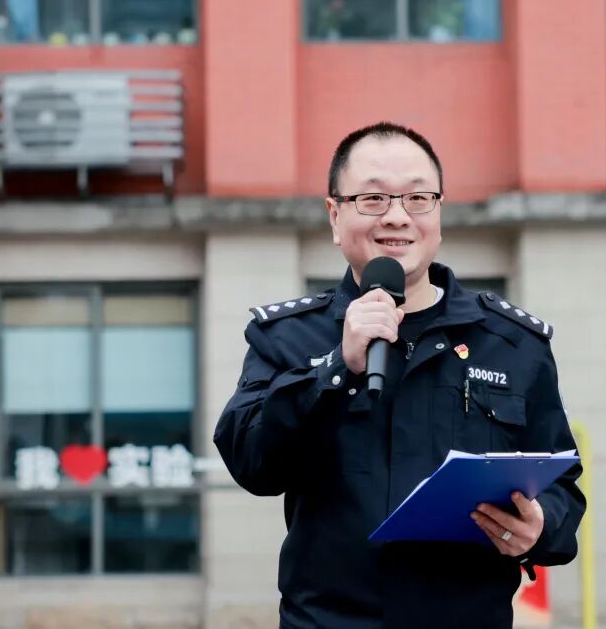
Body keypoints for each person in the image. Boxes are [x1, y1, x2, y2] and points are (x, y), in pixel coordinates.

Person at [214, 122, 585, 629]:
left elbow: (562, 484)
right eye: (373, 199)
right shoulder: (286, 338)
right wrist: (336, 368)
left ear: (438, 212)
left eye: (418, 198)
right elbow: (252, 463)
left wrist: (540, 529)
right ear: (335, 215)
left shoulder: (512, 342)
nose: (396, 216)